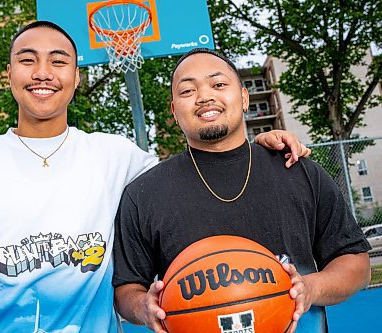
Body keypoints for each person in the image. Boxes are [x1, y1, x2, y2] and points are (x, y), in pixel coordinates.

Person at [0, 22, 308, 333]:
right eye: (28, 60)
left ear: (76, 77)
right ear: (9, 74)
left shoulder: (114, 156)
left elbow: (194, 171)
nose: (43, 72)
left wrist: (253, 145)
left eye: (59, 61)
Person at [112, 48, 371, 333]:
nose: (205, 96)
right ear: (174, 111)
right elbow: (127, 289)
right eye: (187, 91)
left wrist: (310, 287)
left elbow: (356, 264)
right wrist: (143, 307)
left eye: (219, 84)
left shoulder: (298, 170)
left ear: (245, 97)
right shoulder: (143, 194)